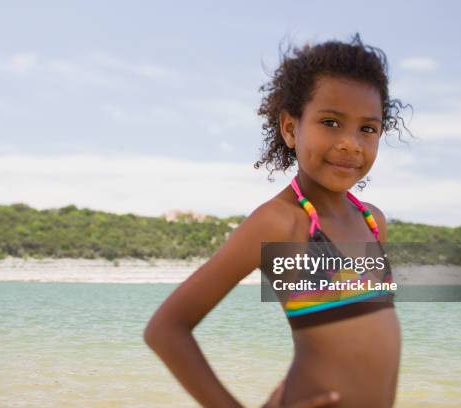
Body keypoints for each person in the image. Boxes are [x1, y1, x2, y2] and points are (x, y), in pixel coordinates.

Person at [144, 33, 412, 407]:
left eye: (367, 128)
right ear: (290, 128)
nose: (351, 142)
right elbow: (166, 330)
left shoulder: (372, 222)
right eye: (331, 122)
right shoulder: (282, 224)